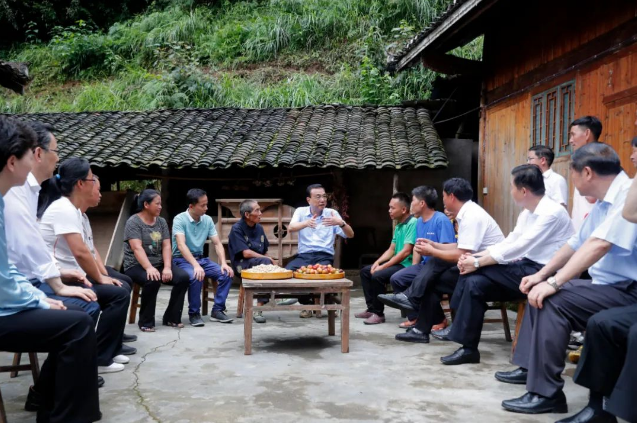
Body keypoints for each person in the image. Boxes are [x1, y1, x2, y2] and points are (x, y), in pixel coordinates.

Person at [497, 143, 637, 415]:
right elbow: (576, 242)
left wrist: (554, 282)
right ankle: (530, 370)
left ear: (587, 173)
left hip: (627, 289)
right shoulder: (605, 201)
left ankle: (545, 392)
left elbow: (598, 245)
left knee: (552, 300)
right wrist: (541, 275)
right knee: (539, 291)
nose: (571, 180)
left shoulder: (626, 195)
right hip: (608, 286)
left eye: (572, 173)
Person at [0, 116, 101, 423]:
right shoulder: (12, 198)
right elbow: (8, 274)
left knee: (79, 315)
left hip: (15, 293)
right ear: (13, 161)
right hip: (6, 306)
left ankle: (51, 404)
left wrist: (37, 296)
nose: (37, 162)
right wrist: (40, 297)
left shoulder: (10, 198)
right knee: (78, 323)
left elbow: (7, 269)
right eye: (31, 155)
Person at [436, 165, 574, 365]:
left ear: (523, 191)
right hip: (525, 267)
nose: (510, 191)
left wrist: (477, 261)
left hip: (545, 273)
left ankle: (457, 324)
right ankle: (469, 349)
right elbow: (510, 241)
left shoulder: (552, 213)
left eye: (511, 186)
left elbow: (520, 246)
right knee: (474, 283)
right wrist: (476, 258)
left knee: (472, 271)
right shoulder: (527, 213)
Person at [380, 177, 505, 343]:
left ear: (451, 196)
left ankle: (412, 301)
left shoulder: (471, 216)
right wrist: (434, 245)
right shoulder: (467, 214)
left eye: (444, 196)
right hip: (474, 265)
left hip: (487, 270)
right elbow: (460, 247)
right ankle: (419, 328)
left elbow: (461, 254)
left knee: (435, 264)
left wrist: (433, 251)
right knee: (431, 278)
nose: (442, 200)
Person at [39, 157, 132, 374]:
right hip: (58, 278)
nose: (97, 188)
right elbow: (80, 252)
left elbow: (88, 251)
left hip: (71, 275)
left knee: (119, 287)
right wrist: (100, 278)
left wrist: (102, 274)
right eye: (92, 180)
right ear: (80, 184)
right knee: (117, 293)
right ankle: (101, 356)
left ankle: (108, 349)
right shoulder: (63, 208)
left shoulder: (73, 211)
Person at [378, 186, 455, 328]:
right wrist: (413, 268)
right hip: (426, 266)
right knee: (397, 278)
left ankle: (439, 319)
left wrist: (432, 251)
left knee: (428, 282)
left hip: (441, 265)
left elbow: (449, 249)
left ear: (422, 203)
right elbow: (417, 248)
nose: (410, 204)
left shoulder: (441, 220)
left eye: (413, 200)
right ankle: (415, 317)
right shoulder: (419, 222)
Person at [123, 189, 189, 332]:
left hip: (158, 263)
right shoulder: (133, 222)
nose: (160, 206)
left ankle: (171, 317)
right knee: (152, 280)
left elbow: (166, 245)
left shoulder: (161, 221)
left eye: (160, 203)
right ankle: (146, 322)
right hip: (136, 265)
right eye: (157, 204)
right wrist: (148, 268)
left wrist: (167, 267)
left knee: (183, 277)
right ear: (146, 205)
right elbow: (137, 248)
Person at [287, 184, 354, 317]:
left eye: (324, 196)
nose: (322, 200)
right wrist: (306, 223)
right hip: (304, 256)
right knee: (287, 274)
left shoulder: (332, 213)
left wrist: (341, 223)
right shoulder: (301, 211)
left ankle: (325, 302)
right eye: (318, 197)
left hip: (324, 256)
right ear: (309, 200)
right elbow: (291, 228)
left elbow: (350, 235)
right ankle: (307, 304)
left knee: (323, 277)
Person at [172, 188, 234, 326]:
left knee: (226, 274)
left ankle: (217, 310)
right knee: (196, 275)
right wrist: (195, 265)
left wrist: (224, 263)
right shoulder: (179, 219)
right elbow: (181, 245)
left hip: (201, 259)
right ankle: (194, 314)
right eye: (203, 205)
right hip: (181, 260)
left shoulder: (207, 220)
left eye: (207, 204)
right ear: (191, 206)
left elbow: (217, 243)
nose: (206, 208)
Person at [355, 192, 417, 325]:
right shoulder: (399, 225)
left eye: (392, 208)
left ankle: (379, 314)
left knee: (378, 275)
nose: (389, 210)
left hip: (406, 265)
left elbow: (406, 252)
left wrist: (383, 267)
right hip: (398, 263)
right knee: (366, 271)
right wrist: (377, 263)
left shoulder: (413, 223)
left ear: (404, 209)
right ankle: (371, 309)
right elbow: (391, 250)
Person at [228, 199, 275, 324]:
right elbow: (246, 253)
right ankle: (259, 309)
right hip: (242, 264)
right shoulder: (237, 229)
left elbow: (264, 251)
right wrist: (267, 260)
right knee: (266, 262)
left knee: (271, 266)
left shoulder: (259, 228)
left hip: (260, 262)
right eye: (257, 210)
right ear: (247, 215)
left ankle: (273, 295)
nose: (260, 213)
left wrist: (271, 262)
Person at [568, 116, 602, 230]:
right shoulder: (583, 158)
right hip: (580, 226)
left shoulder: (598, 158)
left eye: (573, 135)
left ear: (587, 134)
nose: (570, 140)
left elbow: (591, 197)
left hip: (592, 226)